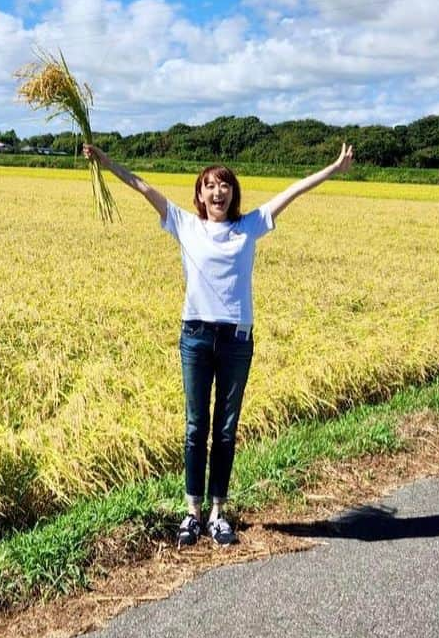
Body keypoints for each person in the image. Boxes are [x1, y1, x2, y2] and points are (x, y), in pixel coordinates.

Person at [82, 141, 355, 546]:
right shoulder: (184, 224)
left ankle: (217, 513)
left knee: (225, 431)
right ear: (199, 194)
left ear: (233, 193)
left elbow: (294, 190)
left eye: (224, 184)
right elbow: (142, 187)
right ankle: (191, 512)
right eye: (210, 185)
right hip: (195, 335)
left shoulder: (250, 226)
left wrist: (333, 168)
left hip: (236, 339)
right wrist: (104, 161)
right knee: (196, 428)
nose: (217, 191)